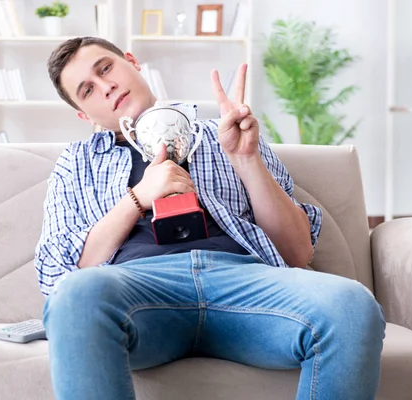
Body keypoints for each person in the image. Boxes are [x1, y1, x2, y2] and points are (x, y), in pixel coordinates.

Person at [34, 36, 386, 400]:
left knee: (353, 306)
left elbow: (297, 252)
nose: (106, 87)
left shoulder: (224, 133)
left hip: (245, 283)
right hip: (140, 295)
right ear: (83, 115)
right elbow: (54, 273)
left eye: (105, 68)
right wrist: (138, 198)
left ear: (132, 61)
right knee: (74, 296)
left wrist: (246, 160)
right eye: (88, 90)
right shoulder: (77, 162)